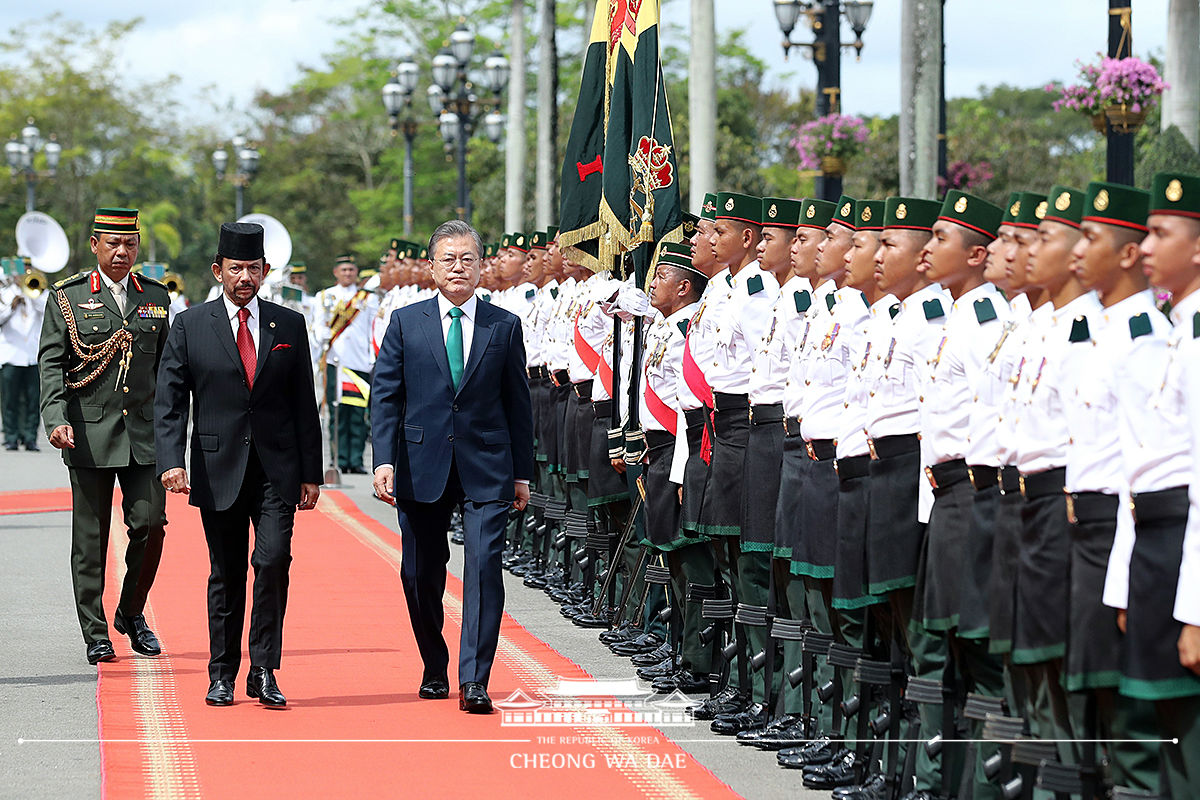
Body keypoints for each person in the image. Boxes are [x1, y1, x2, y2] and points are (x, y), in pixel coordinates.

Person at [155, 222, 322, 708]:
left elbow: (302, 403)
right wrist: (171, 461)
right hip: (217, 465)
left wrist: (311, 470)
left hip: (278, 470)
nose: (244, 277)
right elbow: (170, 401)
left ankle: (264, 669)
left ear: (266, 271)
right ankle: (222, 672)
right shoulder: (190, 325)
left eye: (253, 268)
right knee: (225, 572)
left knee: (272, 563)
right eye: (235, 268)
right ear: (218, 271)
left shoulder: (288, 325)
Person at [371, 219, 534, 714]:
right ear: (433, 266)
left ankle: (476, 679)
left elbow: (519, 405)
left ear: (480, 266)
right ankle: (434, 663)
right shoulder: (407, 322)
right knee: (420, 572)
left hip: (487, 463)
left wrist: (521, 473)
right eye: (449, 259)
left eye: (467, 259)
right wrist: (383, 460)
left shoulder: (504, 326)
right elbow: (386, 396)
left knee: (484, 566)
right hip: (421, 463)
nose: (458, 268)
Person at [39, 208, 170, 666]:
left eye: (130, 244)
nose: (122, 252)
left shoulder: (155, 297)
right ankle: (95, 632)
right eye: (112, 244)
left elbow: (165, 370)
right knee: (90, 540)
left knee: (151, 525)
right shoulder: (68, 297)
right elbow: (51, 364)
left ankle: (131, 613)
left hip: (145, 436)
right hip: (88, 433)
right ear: (94, 244)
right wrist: (55, 417)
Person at [315, 254, 378, 474]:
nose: (348, 274)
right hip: (335, 361)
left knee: (358, 413)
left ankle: (356, 459)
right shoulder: (324, 296)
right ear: (336, 272)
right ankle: (339, 458)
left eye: (351, 270)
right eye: (344, 270)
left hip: (359, 362)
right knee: (338, 412)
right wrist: (320, 336)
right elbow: (317, 327)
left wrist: (372, 357)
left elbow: (373, 328)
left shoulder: (367, 298)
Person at [0, 271, 47, 450]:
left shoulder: (40, 292)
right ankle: (11, 437)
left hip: (32, 355)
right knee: (9, 400)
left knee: (33, 399)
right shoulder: (5, 294)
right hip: (11, 355)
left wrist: (31, 296)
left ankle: (30, 438)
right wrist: (11, 306)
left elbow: (46, 310)